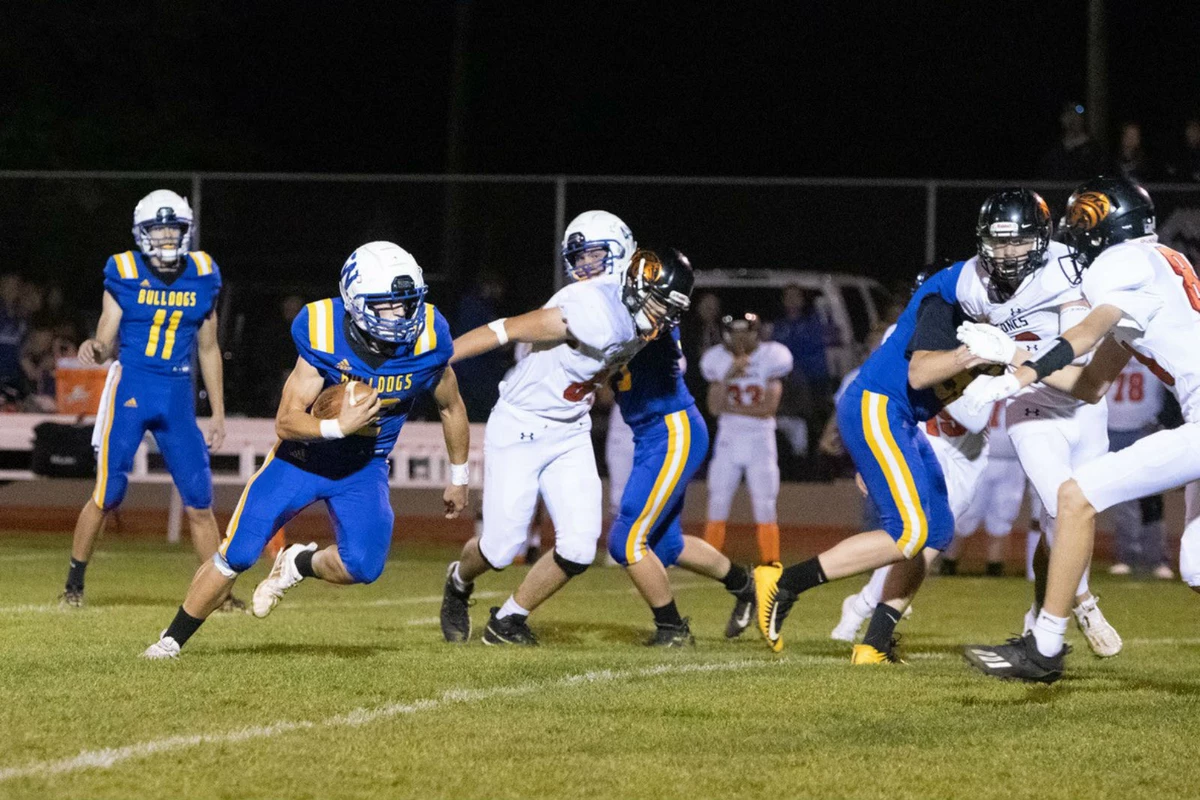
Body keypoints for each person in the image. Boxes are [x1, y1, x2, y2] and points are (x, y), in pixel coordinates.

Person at [142, 241, 469, 658]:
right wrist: (336, 426)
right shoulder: (323, 330)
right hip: (302, 460)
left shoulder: (429, 338)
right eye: (385, 305)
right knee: (238, 554)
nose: (401, 316)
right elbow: (286, 421)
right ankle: (169, 642)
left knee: (364, 566)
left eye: (406, 304)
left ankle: (297, 564)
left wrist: (459, 476)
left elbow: (451, 405)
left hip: (363, 466)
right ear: (354, 300)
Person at [959, 176, 1197, 683]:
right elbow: (1090, 384)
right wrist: (1015, 353)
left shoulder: (1120, 264)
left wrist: (1013, 380)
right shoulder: (1159, 268)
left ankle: (1043, 646)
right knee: (1196, 566)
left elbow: (1083, 332)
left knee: (1073, 497)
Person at [752, 255, 1002, 662]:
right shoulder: (940, 307)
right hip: (880, 410)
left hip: (901, 420)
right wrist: (978, 359)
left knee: (936, 531)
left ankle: (876, 642)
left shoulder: (960, 322)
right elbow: (924, 380)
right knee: (908, 533)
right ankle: (786, 583)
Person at [438, 211, 654, 646]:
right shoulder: (583, 304)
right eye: (578, 258)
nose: (584, 267)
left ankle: (508, 620)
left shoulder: (636, 309)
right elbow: (505, 329)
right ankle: (459, 582)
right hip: (521, 424)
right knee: (500, 549)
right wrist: (442, 356)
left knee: (578, 546)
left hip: (570, 429)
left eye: (594, 256)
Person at [954, 188, 1120, 657]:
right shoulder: (971, 281)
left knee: (1077, 512)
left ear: (1043, 239)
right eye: (999, 241)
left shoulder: (1065, 268)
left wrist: (1012, 354)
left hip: (1083, 406)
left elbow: (1079, 351)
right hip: (1029, 408)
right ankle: (1083, 602)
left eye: (1019, 241)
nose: (1007, 252)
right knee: (1057, 506)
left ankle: (1037, 615)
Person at [62, 191, 228, 608]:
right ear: (143, 233)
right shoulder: (124, 270)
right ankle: (73, 586)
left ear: (186, 231)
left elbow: (209, 348)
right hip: (132, 388)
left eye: (174, 229)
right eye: (160, 229)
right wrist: (95, 350)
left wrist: (218, 412)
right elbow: (106, 333)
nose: (168, 238)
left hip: (177, 396)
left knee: (199, 499)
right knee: (107, 492)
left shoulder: (204, 273)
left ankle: (219, 597)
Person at [700, 312, 794, 565]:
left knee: (765, 501)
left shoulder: (773, 356)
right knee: (718, 497)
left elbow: (766, 409)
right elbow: (713, 406)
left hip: (760, 440)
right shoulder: (717, 360)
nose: (740, 338)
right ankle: (709, 559)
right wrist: (730, 373)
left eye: (746, 332)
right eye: (735, 332)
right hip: (728, 437)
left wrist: (730, 407)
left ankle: (771, 560)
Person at [1104, 359, 1172, 578]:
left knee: (1151, 495)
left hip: (1145, 428)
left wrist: (1163, 420)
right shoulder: (1109, 350)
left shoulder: (1153, 355)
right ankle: (1126, 556)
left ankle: (1157, 558)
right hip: (1113, 430)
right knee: (1123, 496)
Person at [940, 403, 1022, 577]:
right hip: (977, 457)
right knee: (966, 513)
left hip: (1011, 460)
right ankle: (948, 563)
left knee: (1003, 517)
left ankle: (995, 567)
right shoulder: (983, 387)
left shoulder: (1020, 388)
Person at [1038, 101, 1105, 180]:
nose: (1072, 118)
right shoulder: (1053, 150)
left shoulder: (1094, 151)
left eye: (1076, 114)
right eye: (1068, 113)